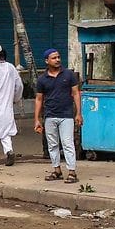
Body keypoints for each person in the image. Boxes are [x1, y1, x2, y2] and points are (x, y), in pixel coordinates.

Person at [35, 48, 82, 183]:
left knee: (68, 143)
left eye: (58, 57)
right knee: (52, 144)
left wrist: (78, 113)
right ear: (46, 61)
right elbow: (39, 99)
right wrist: (36, 119)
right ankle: (57, 170)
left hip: (66, 115)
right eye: (54, 58)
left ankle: (72, 172)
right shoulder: (42, 79)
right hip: (49, 116)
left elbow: (76, 93)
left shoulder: (68, 75)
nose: (57, 60)